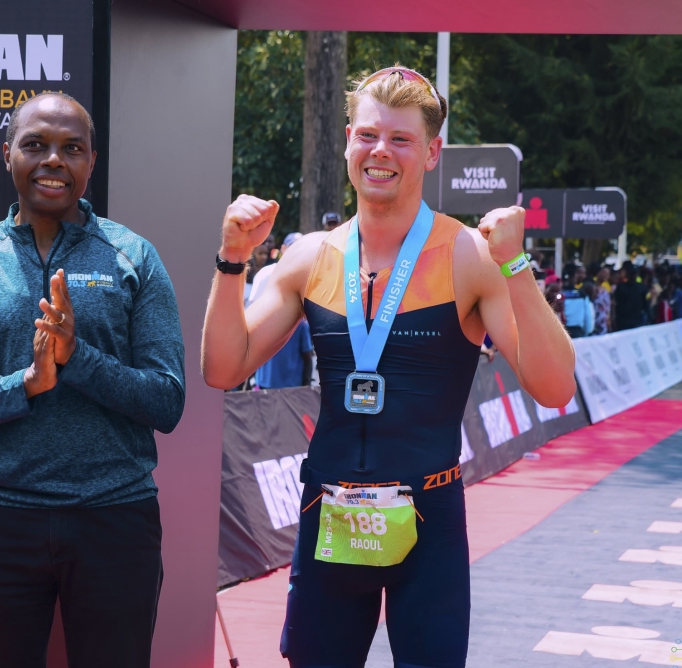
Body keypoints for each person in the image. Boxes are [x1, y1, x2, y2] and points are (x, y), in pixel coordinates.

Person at [201, 66, 576, 667]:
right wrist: (232, 260)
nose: (381, 152)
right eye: (369, 135)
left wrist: (516, 266)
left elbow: (555, 387)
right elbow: (223, 368)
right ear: (348, 139)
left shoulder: (471, 257)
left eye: (401, 139)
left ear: (432, 152)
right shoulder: (307, 258)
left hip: (428, 521)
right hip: (330, 512)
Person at [0, 93, 185, 668]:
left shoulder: (135, 258)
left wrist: (76, 359)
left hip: (115, 518)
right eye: (35, 145)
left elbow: (167, 399)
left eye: (71, 148)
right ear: (7, 153)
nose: (53, 160)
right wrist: (26, 384)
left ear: (92, 162)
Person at [251, 234, 313, 389]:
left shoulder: (301, 325)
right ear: (283, 249)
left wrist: (305, 385)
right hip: (264, 385)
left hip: (292, 388)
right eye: (293, 246)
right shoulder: (265, 274)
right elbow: (251, 318)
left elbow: (307, 356)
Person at [560, 262, 594, 337]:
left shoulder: (558, 294)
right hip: (577, 332)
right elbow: (588, 319)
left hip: (560, 332)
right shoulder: (582, 295)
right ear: (574, 276)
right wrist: (586, 333)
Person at [614, 261, 646, 331]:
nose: (633, 276)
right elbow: (616, 303)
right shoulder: (621, 287)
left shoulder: (642, 288)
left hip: (636, 320)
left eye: (634, 274)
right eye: (631, 274)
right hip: (622, 321)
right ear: (627, 274)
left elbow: (645, 304)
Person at [592, 265, 612, 334]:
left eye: (608, 274)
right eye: (604, 273)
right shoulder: (592, 288)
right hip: (594, 319)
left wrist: (608, 319)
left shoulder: (606, 290)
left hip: (603, 321)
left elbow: (608, 307)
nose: (605, 275)